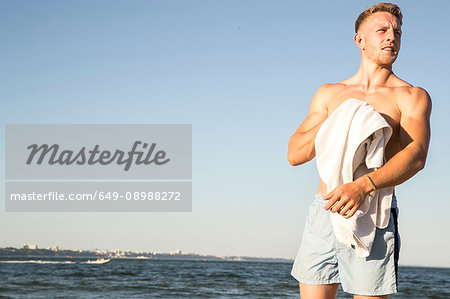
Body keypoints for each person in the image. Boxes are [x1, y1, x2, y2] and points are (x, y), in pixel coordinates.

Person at [287, 3, 431, 299]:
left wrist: (363, 186)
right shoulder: (330, 93)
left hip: (373, 211)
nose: (392, 37)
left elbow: (416, 156)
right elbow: (295, 154)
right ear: (359, 40)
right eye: (382, 30)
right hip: (325, 210)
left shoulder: (411, 96)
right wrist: (342, 116)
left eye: (397, 32)